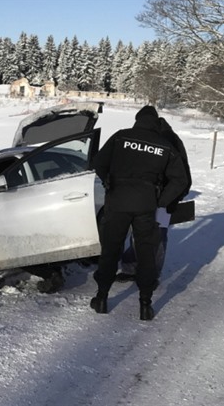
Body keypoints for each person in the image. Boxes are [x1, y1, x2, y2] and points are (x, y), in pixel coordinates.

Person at [90, 106, 189, 320]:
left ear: (137, 120)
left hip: (117, 201)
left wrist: (109, 180)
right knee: (146, 254)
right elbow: (180, 180)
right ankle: (145, 305)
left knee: (111, 250)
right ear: (157, 123)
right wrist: (161, 201)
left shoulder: (120, 137)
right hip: (146, 206)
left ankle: (101, 298)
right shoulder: (164, 146)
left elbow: (98, 161)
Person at [116, 117, 192, 283]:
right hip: (141, 196)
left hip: (163, 199)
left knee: (157, 237)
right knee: (137, 233)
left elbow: (183, 175)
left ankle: (151, 273)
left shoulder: (170, 141)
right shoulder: (143, 139)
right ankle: (130, 268)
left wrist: (168, 199)